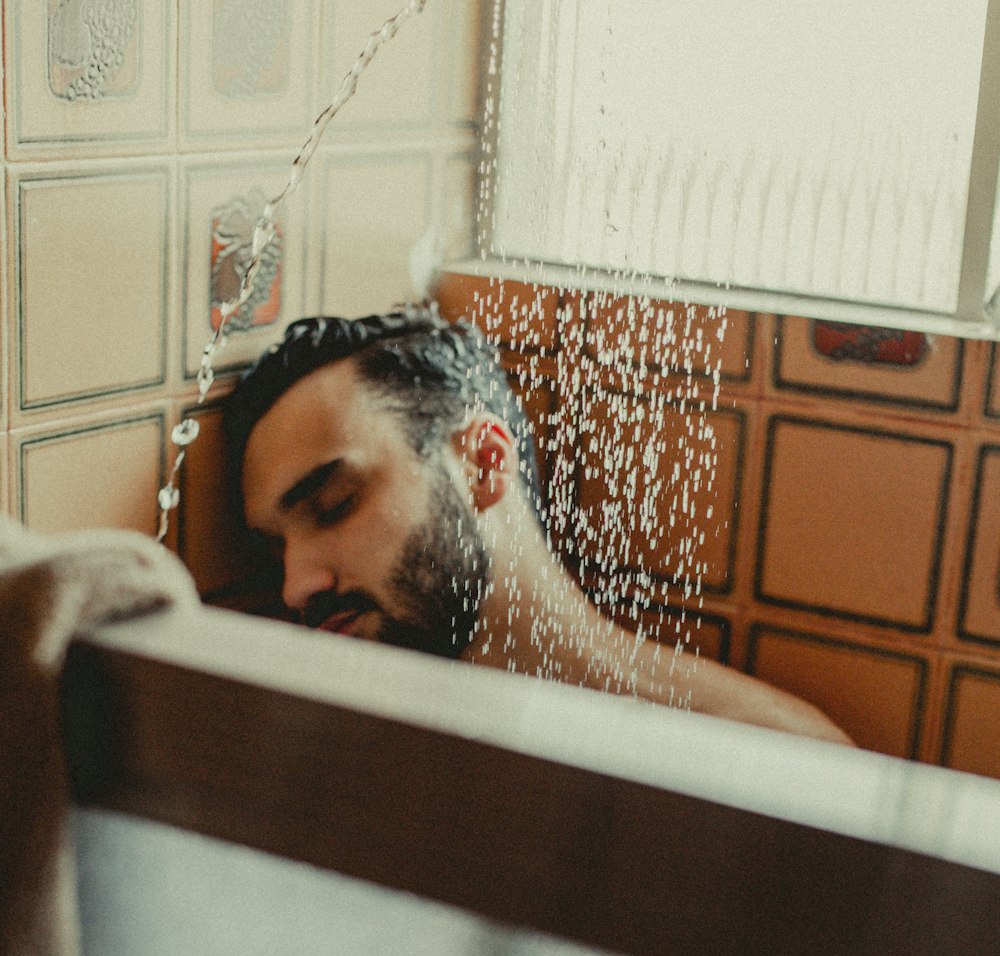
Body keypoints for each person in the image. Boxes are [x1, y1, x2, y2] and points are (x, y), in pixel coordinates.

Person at [224, 307, 851, 745]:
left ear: (483, 464)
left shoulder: (775, 766)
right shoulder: (340, 779)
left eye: (334, 504)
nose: (296, 586)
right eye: (274, 549)